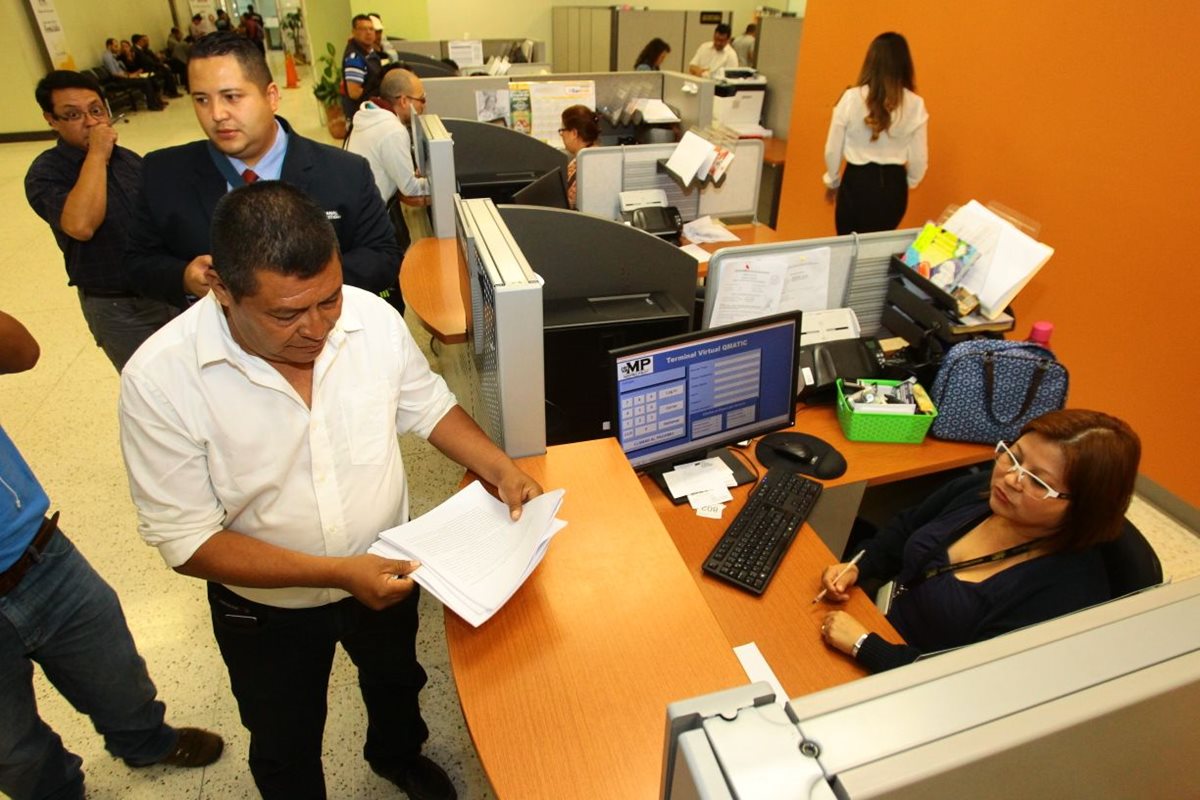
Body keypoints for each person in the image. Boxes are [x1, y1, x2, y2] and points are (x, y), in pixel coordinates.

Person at [119, 181, 542, 800]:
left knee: (397, 681)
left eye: (328, 301)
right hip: (264, 608)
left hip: (386, 567)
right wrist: (340, 572)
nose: (315, 328)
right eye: (286, 314)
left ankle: (398, 756)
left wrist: (499, 466)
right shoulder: (159, 380)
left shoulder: (370, 319)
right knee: (284, 734)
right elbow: (187, 542)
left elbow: (429, 409)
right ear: (222, 290)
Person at [0, 309, 223, 800]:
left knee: (115, 671)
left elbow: (21, 351)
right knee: (14, 750)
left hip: (35, 552)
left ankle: (145, 741)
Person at [817, 409, 1142, 674]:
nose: (1010, 478)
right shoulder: (980, 493)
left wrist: (864, 645)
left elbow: (971, 682)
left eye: (1038, 481)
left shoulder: (1063, 596)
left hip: (906, 681)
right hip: (871, 622)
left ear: (1084, 506)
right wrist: (860, 566)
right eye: (1014, 457)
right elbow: (905, 528)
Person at [126, 32, 402, 313]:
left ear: (271, 96)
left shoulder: (345, 172)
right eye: (202, 100)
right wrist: (184, 277)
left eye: (231, 97)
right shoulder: (162, 173)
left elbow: (382, 256)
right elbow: (137, 264)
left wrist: (303, 283)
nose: (217, 114)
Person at [25, 71, 179, 371]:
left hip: (166, 292)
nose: (92, 122)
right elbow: (81, 225)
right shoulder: (46, 172)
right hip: (118, 306)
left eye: (96, 110)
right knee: (153, 391)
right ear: (51, 120)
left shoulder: (130, 161)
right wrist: (97, 153)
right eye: (73, 115)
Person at [822, 32, 928, 236]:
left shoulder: (851, 98)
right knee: (878, 248)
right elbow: (919, 159)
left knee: (849, 247)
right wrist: (909, 182)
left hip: (857, 181)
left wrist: (832, 181)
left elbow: (832, 149)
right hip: (893, 184)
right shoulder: (915, 104)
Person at [346, 66, 430, 292]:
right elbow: (411, 189)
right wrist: (442, 181)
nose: (424, 106)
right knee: (392, 286)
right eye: (421, 99)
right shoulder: (392, 130)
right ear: (403, 101)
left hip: (356, 216)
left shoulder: (369, 115)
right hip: (374, 220)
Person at [101, 38, 166, 110]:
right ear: (109, 46)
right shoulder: (107, 57)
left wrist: (133, 74)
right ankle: (152, 105)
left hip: (124, 77)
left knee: (148, 79)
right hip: (119, 80)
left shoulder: (112, 56)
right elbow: (114, 73)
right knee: (145, 81)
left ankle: (155, 102)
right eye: (115, 46)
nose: (118, 48)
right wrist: (129, 76)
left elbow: (121, 70)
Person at [341, 14, 382, 119]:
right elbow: (354, 93)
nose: (368, 32)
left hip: (372, 111)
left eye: (371, 29)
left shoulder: (369, 52)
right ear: (354, 32)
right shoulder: (354, 58)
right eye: (363, 29)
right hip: (362, 114)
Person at [559, 104, 599, 209]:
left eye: (562, 130)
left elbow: (568, 203)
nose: (561, 134)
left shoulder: (584, 166)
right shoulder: (594, 157)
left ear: (574, 133)